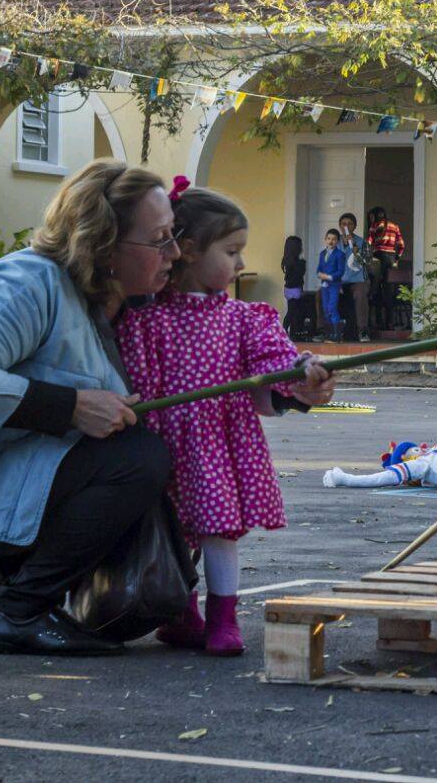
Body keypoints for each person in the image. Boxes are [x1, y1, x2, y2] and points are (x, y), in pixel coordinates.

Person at [116, 186, 332, 656]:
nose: (240, 265)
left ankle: (223, 617)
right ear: (189, 251)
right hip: (165, 443)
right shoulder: (145, 318)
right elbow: (137, 379)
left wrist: (301, 373)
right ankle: (182, 613)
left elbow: (276, 361)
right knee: (173, 528)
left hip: (217, 444)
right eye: (232, 252)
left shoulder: (246, 317)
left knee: (218, 530)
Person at [322, 440, 437, 493]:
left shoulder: (434, 453)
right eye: (413, 450)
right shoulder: (420, 464)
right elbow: (382, 478)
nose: (419, 449)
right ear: (406, 458)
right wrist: (346, 478)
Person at [337, 213, 372, 343]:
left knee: (360, 294)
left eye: (350, 223)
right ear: (340, 226)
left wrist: (356, 252)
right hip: (341, 280)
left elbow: (368, 262)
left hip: (358, 280)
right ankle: (326, 331)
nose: (346, 226)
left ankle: (362, 330)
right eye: (343, 224)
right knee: (323, 293)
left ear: (355, 226)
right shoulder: (335, 241)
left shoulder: (362, 242)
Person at [368, 207, 405, 329]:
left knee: (377, 289)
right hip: (391, 259)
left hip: (378, 258)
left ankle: (378, 322)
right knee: (389, 291)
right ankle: (390, 323)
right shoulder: (395, 226)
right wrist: (396, 259)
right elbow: (401, 245)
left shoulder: (374, 226)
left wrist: (369, 256)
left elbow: (369, 243)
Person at [316, 228, 345, 342]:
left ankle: (337, 335)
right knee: (325, 309)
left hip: (334, 284)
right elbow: (319, 268)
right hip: (324, 285)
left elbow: (340, 271)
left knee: (332, 308)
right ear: (325, 240)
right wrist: (319, 273)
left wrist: (329, 277)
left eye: (334, 239)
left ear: (337, 241)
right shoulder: (323, 253)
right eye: (329, 238)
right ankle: (329, 334)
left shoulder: (340, 254)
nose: (331, 241)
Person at [281, 235, 306, 340]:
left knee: (291, 310)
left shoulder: (287, 260)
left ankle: (290, 331)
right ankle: (286, 330)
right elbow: (299, 277)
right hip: (295, 289)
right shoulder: (299, 263)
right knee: (293, 311)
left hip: (288, 289)